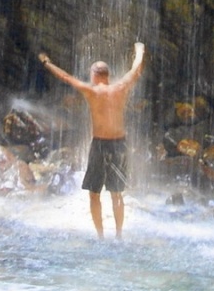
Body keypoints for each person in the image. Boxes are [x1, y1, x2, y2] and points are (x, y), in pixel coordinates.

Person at [38, 42, 146, 238]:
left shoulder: (91, 91)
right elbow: (136, 69)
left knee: (94, 193)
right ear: (108, 76)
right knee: (117, 193)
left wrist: (46, 62)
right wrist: (140, 50)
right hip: (119, 144)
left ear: (95, 76)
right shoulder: (121, 87)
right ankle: (119, 235)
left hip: (100, 145)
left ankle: (100, 236)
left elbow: (65, 77)